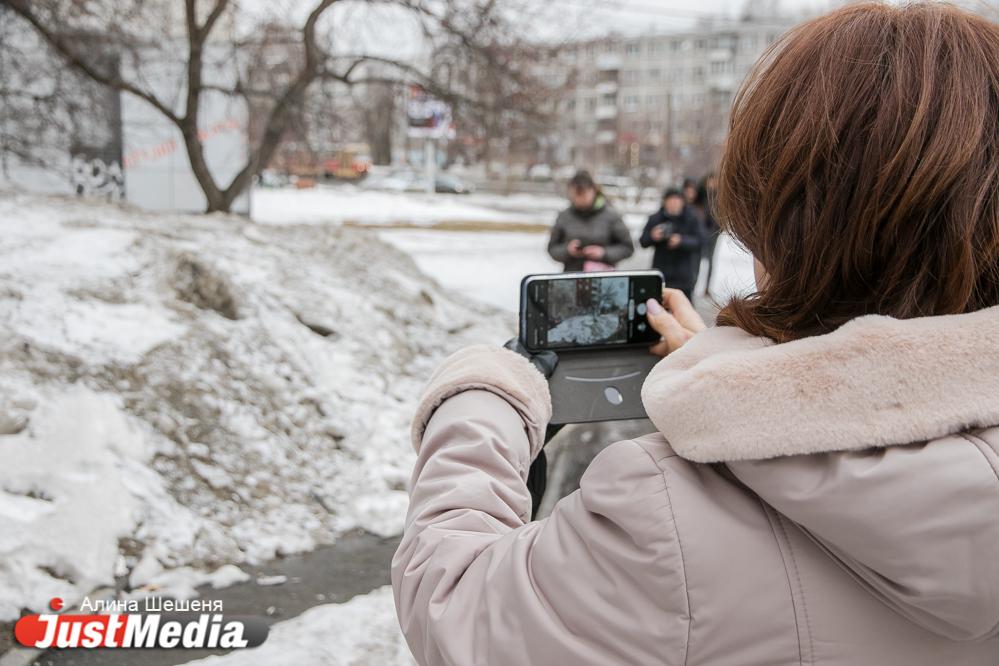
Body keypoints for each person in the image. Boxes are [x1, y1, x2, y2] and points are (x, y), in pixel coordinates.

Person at [392, 4, 999, 665]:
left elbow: (456, 606)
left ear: (784, 225)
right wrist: (728, 376)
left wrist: (485, 394)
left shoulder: (661, 519)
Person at [546, 170, 634, 272]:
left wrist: (603, 253)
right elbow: (552, 248)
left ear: (594, 191)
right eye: (575, 194)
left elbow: (627, 248)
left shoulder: (611, 215)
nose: (579, 199)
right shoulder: (564, 216)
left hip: (604, 278)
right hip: (572, 277)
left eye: (583, 193)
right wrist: (567, 250)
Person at [639, 188, 704, 300]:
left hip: (683, 275)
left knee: (683, 309)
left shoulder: (691, 218)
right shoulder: (655, 218)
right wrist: (652, 236)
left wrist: (681, 241)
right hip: (660, 272)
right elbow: (643, 242)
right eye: (671, 200)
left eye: (677, 201)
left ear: (682, 202)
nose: (674, 204)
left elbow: (700, 241)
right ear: (664, 202)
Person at [696, 173, 720, 296]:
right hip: (699, 232)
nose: (712, 184)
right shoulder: (700, 196)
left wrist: (720, 228)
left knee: (711, 261)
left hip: (713, 233)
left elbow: (723, 215)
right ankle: (694, 284)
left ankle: (707, 287)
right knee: (697, 259)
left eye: (714, 181)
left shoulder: (720, 197)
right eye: (710, 181)